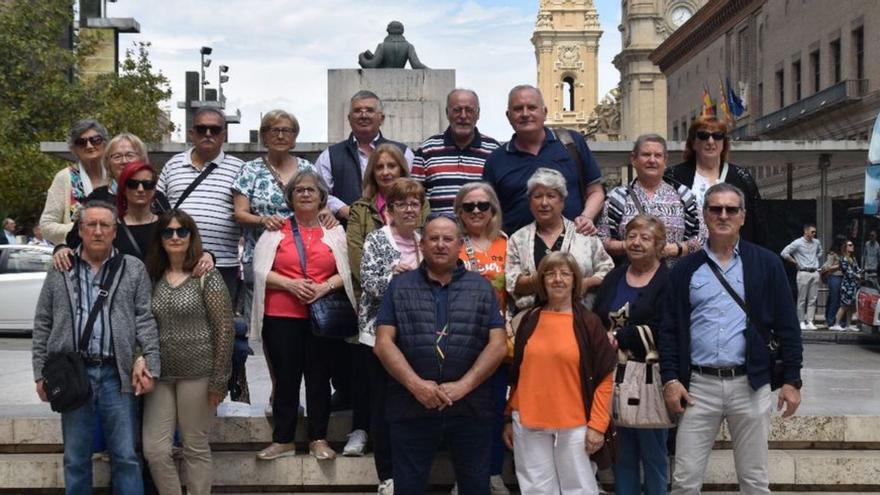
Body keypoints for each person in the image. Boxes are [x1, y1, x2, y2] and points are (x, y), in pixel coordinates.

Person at [659, 183, 803, 495]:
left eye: (731, 209)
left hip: (749, 384)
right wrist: (670, 378)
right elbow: (669, 329)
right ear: (704, 215)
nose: (723, 215)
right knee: (684, 481)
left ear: (742, 217)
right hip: (698, 386)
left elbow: (788, 326)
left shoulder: (767, 264)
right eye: (715, 209)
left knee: (754, 480)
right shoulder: (685, 269)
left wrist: (792, 379)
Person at [32, 200, 161, 494]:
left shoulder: (132, 268)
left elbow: (145, 320)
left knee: (126, 457)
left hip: (117, 375)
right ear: (81, 230)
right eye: (92, 225)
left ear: (115, 231)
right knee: (76, 458)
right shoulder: (61, 268)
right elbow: (42, 323)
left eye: (105, 225)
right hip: (73, 374)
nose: (98, 231)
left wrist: (151, 364)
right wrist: (40, 373)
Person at [374, 213, 507, 494]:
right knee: (408, 487)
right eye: (433, 238)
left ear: (460, 244)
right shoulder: (400, 286)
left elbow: (497, 344)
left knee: (474, 486)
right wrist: (416, 386)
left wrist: (463, 386)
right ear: (422, 244)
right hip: (411, 406)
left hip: (470, 407)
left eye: (448, 239)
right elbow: (384, 343)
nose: (440, 244)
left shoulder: (481, 287)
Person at [251, 170, 356, 461]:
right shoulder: (275, 229)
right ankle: (283, 439)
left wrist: (323, 288)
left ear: (322, 196)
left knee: (319, 378)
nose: (306, 194)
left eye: (311, 190)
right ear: (291, 197)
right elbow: (259, 271)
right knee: (286, 378)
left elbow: (347, 273)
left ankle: (318, 438)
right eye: (299, 190)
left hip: (322, 316)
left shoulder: (335, 231)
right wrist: (290, 284)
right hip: (281, 313)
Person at [502, 251, 616, 494]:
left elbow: (605, 378)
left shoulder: (589, 323)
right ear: (541, 281)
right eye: (550, 274)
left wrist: (598, 424)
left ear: (575, 280)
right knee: (535, 488)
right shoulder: (529, 319)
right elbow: (518, 374)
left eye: (565, 274)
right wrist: (510, 416)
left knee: (579, 487)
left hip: (575, 421)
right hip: (529, 417)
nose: (557, 279)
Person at [142, 210, 234, 495]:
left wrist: (220, 378)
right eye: (167, 232)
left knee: (195, 446)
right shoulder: (152, 276)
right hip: (160, 374)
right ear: (160, 238)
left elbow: (225, 329)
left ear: (192, 236)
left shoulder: (206, 275)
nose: (175, 237)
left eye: (182, 231)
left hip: (199, 373)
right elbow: (141, 323)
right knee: (155, 450)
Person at [355, 178, 425, 493]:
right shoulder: (377, 239)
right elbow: (369, 282)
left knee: (412, 407)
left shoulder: (427, 241)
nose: (409, 209)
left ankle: (412, 471)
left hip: (418, 340)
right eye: (402, 203)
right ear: (390, 209)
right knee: (383, 408)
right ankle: (388, 476)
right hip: (380, 339)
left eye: (415, 203)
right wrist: (396, 278)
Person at [594, 215, 671, 495]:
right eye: (631, 236)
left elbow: (667, 328)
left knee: (653, 454)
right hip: (613, 376)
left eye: (645, 237)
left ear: (660, 245)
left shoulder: (668, 280)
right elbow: (598, 317)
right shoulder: (614, 276)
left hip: (649, 378)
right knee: (621, 454)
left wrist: (619, 336)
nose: (636, 242)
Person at [482, 85, 604, 235]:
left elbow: (596, 192)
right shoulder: (496, 161)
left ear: (545, 112)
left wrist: (586, 218)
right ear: (508, 116)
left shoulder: (571, 143)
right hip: (518, 252)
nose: (525, 114)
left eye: (532, 107)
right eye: (518, 109)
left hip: (572, 248)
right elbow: (488, 210)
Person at [452, 182, 510, 495]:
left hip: (498, 342)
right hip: (461, 341)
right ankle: (466, 478)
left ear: (493, 211)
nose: (476, 211)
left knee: (496, 410)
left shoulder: (507, 243)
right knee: (464, 414)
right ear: (459, 211)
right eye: (469, 206)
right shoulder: (451, 243)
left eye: (483, 206)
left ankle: (493, 473)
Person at [158, 107, 245, 300]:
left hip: (222, 264)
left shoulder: (240, 168)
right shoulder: (173, 165)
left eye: (214, 129)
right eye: (201, 129)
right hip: (176, 265)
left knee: (220, 327)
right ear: (192, 133)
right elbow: (158, 211)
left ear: (224, 134)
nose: (208, 134)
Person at [506, 168, 614, 313]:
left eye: (551, 196)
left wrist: (587, 283)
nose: (544, 203)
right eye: (538, 196)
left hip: (579, 318)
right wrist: (541, 280)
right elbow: (511, 282)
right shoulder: (518, 239)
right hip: (532, 320)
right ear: (530, 202)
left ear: (562, 201)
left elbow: (609, 272)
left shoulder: (583, 233)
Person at [598, 134, 702, 265]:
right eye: (646, 155)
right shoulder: (617, 197)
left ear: (665, 160)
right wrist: (631, 245)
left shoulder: (684, 196)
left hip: (674, 278)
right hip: (631, 277)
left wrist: (675, 249)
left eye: (658, 155)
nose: (652, 160)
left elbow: (703, 237)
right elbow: (601, 240)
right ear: (633, 159)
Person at [666, 115, 767, 245]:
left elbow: (758, 224)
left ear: (724, 143)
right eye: (703, 136)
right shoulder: (673, 176)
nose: (711, 141)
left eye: (717, 136)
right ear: (693, 143)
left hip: (733, 257)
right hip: (686, 257)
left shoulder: (742, 177)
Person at [316, 90, 414, 221]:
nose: (363, 115)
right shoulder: (329, 156)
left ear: (382, 118)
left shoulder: (403, 153)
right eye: (357, 111)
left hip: (395, 232)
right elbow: (318, 193)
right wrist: (343, 209)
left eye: (369, 110)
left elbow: (415, 191)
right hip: (345, 231)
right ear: (349, 119)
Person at [411, 89, 500, 214]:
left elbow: (500, 198)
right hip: (439, 232)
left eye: (469, 110)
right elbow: (414, 197)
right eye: (457, 110)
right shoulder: (427, 150)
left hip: (481, 231)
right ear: (447, 113)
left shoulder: (494, 150)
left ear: (478, 114)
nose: (463, 116)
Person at [39, 119, 109, 245]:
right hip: (77, 256)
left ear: (104, 143)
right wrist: (81, 228)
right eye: (81, 142)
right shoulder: (64, 178)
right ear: (74, 149)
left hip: (116, 256)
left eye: (95, 140)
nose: (89, 146)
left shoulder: (115, 176)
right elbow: (46, 226)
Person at [781, 224, 823, 330]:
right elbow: (784, 253)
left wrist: (815, 258)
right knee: (802, 299)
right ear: (806, 231)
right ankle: (800, 321)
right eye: (812, 232)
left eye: (815, 232)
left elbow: (820, 251)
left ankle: (810, 321)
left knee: (813, 299)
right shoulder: (798, 243)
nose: (814, 234)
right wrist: (795, 261)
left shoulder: (816, 242)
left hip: (814, 271)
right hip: (803, 272)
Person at [831, 239, 862, 332]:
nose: (852, 246)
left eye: (852, 245)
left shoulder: (853, 258)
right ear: (846, 247)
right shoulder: (843, 259)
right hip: (847, 285)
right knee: (844, 305)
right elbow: (848, 272)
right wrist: (857, 276)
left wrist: (861, 273)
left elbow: (857, 269)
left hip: (854, 285)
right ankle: (836, 323)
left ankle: (848, 325)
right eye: (850, 245)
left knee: (851, 306)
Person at [821, 235, 846, 330]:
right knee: (834, 300)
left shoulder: (843, 253)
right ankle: (830, 321)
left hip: (842, 277)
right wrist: (839, 265)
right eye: (844, 243)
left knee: (840, 300)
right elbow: (828, 267)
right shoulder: (832, 253)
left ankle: (838, 321)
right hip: (834, 277)